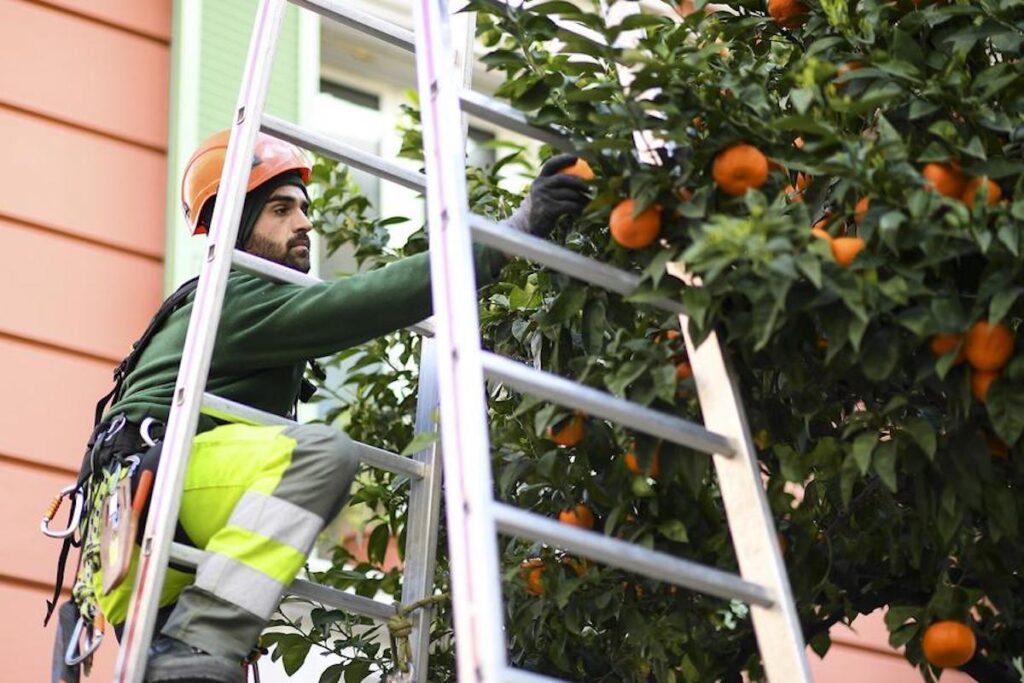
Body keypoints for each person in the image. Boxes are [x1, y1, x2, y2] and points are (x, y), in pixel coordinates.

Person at [60, 129, 589, 683]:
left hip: (144, 545)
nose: (305, 223)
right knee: (317, 456)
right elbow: (357, 303)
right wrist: (508, 236)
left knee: (193, 672)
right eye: (281, 209)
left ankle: (195, 644)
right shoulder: (233, 295)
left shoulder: (232, 303)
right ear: (234, 226)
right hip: (159, 496)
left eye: (304, 209)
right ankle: (201, 636)